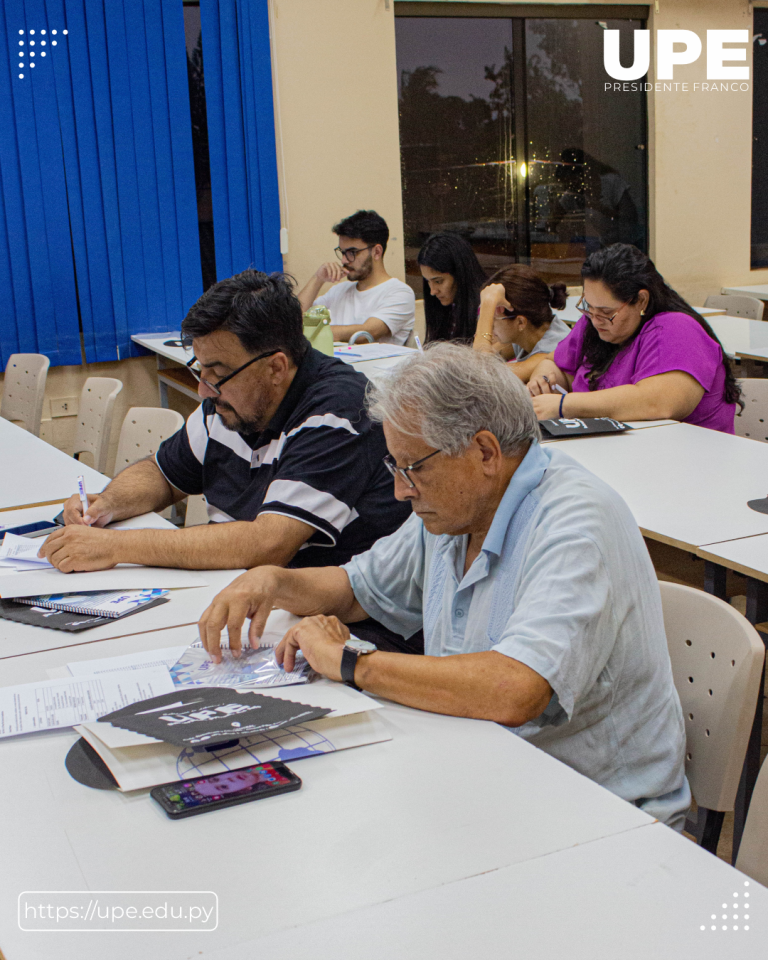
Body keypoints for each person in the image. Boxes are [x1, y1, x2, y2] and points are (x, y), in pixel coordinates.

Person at [198, 344, 691, 830]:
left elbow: (515, 691)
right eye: (395, 467)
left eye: (413, 468)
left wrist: (350, 662)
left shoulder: (576, 522)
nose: (400, 490)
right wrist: (273, 580)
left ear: (484, 452)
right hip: (487, 774)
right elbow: (356, 588)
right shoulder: (457, 509)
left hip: (601, 813)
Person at [40, 270, 411, 573]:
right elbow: (162, 473)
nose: (203, 390)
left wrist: (114, 546)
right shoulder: (229, 400)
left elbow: (269, 543)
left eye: (217, 372)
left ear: (276, 367)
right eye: (201, 370)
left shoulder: (339, 410)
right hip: (243, 596)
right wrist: (105, 505)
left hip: (324, 621)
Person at [528, 244, 741, 432]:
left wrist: (564, 405)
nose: (594, 319)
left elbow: (657, 403)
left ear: (641, 301)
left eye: (605, 311)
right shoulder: (594, 322)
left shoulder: (676, 329)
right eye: (588, 306)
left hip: (687, 459)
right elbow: (554, 363)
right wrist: (545, 380)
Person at [298, 210, 415, 345]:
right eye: (342, 252)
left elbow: (366, 333)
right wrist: (317, 279)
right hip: (332, 364)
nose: (344, 260)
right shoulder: (339, 290)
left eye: (352, 253)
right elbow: (294, 321)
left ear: (376, 252)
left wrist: (313, 332)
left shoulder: (400, 292)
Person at [472, 264, 570, 382]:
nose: (490, 328)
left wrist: (487, 308)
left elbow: (483, 374)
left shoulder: (552, 351)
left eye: (493, 319)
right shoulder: (532, 331)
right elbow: (475, 362)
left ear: (520, 322)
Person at [416, 232, 486, 342]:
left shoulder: (487, 308)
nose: (433, 291)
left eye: (438, 281)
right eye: (427, 281)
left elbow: (486, 355)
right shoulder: (444, 308)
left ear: (460, 274)